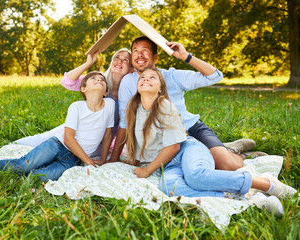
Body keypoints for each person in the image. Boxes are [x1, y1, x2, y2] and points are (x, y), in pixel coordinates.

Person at [126, 68, 296, 215]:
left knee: (196, 176)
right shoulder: (133, 108)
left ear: (161, 87)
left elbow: (174, 147)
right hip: (167, 165)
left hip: (186, 149)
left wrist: (147, 170)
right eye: (142, 77)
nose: (146, 79)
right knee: (170, 189)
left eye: (152, 77)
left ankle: (264, 184)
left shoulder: (164, 105)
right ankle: (247, 198)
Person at [108, 36, 262, 170]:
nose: (139, 54)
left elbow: (215, 76)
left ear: (155, 57)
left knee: (228, 166)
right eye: (135, 50)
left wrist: (186, 56)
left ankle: (237, 153)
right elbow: (125, 122)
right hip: (162, 139)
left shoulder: (172, 76)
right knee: (196, 165)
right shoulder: (129, 82)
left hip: (190, 127)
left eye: (145, 50)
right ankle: (223, 148)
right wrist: (113, 160)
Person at [0, 72, 114, 182]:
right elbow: (69, 139)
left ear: (106, 91)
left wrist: (104, 159)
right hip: (57, 146)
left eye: (102, 80)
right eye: (94, 79)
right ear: (83, 89)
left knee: (37, 177)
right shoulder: (76, 107)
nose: (99, 80)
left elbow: (107, 135)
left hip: (73, 160)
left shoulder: (110, 105)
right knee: (23, 165)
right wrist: (89, 162)